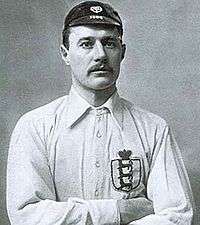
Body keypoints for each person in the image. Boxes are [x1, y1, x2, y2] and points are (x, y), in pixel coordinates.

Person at [7, 1, 194, 225]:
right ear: (65, 54)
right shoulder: (35, 126)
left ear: (122, 52)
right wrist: (117, 210)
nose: (100, 55)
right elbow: (27, 216)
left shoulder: (153, 128)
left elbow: (178, 217)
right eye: (86, 44)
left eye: (109, 43)